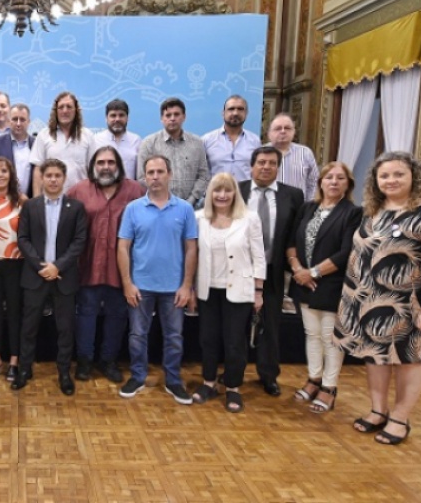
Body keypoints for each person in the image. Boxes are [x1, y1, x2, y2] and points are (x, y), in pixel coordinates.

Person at [336, 151, 421, 445]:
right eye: (384, 175)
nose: (391, 180)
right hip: (369, 300)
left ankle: (400, 418)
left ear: (414, 176)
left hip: (409, 304)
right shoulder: (374, 210)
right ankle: (378, 410)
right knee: (376, 357)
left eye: (398, 174)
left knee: (409, 359)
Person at [117, 154, 197, 405]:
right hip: (140, 286)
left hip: (174, 287)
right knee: (137, 335)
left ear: (169, 175)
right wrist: (127, 283)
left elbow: (191, 249)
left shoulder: (184, 209)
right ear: (144, 177)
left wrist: (187, 285)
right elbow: (123, 247)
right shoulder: (133, 209)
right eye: (150, 172)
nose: (155, 177)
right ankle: (138, 376)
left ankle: (173, 380)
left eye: (160, 171)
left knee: (174, 337)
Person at [287, 162, 362, 413]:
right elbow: (291, 242)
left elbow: (346, 251)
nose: (334, 182)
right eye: (329, 177)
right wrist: (298, 269)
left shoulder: (353, 213)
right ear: (320, 181)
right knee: (312, 334)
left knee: (331, 339)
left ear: (348, 184)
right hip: (303, 282)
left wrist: (313, 272)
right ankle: (314, 379)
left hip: (331, 284)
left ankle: (329, 388)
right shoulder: (308, 208)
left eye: (340, 178)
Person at [66, 146, 144, 383]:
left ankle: (109, 361)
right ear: (93, 166)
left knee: (117, 316)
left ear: (118, 165)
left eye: (111, 162)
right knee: (85, 316)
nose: (106, 167)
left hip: (121, 270)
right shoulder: (79, 190)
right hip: (87, 266)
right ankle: (84, 361)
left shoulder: (135, 190)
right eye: (101, 162)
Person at [12, 160, 88, 396]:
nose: (53, 180)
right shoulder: (30, 206)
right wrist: (41, 266)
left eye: (57, 175)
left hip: (64, 277)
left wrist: (57, 266)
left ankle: (64, 373)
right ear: (42, 178)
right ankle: (25, 369)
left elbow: (79, 242)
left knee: (65, 329)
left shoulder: (76, 207)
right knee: (29, 327)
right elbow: (23, 239)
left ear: (64, 179)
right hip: (35, 275)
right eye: (49, 175)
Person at [192, 173, 266, 413]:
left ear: (235, 193)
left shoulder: (249, 218)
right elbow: (192, 256)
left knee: (234, 342)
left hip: (239, 290)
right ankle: (209, 383)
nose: (222, 195)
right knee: (208, 339)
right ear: (210, 194)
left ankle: (233, 387)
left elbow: (259, 257)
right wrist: (190, 289)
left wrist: (258, 291)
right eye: (217, 190)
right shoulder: (198, 218)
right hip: (208, 290)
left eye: (227, 190)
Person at [239, 146, 305, 396]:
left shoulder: (293, 195)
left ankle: (268, 375)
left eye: (272, 163)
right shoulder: (238, 190)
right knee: (238, 324)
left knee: (271, 325)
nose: (266, 167)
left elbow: (295, 234)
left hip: (273, 270)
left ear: (278, 167)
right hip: (240, 270)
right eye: (261, 162)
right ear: (252, 166)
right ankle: (234, 371)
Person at [0, 157, 27, 382]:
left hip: (15, 264)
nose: (0, 175)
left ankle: (14, 360)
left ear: (11, 175)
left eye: (4, 171)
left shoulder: (22, 201)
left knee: (14, 313)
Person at [137, 97, 209, 206]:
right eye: (168, 115)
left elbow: (203, 176)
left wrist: (191, 200)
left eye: (176, 114)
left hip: (190, 206)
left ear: (184, 117)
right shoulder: (148, 144)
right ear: (161, 118)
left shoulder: (197, 143)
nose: (172, 118)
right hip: (157, 207)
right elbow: (142, 178)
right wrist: (163, 201)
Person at [30, 91, 97, 195]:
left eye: (69, 107)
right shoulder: (44, 135)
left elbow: (94, 171)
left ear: (76, 110)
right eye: (61, 107)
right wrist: (36, 200)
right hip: (50, 198)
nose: (65, 111)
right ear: (55, 111)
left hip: (80, 198)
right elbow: (38, 169)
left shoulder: (87, 136)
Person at [202, 95, 262, 181]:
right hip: (216, 189)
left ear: (246, 113)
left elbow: (258, 171)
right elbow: (200, 172)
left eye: (240, 109)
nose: (235, 113)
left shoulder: (255, 141)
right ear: (223, 113)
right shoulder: (207, 140)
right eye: (231, 109)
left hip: (245, 189)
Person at [267, 113, 319, 201]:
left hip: (298, 206)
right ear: (269, 133)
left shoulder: (305, 153)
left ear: (294, 131)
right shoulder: (260, 153)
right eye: (278, 128)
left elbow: (314, 183)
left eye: (287, 128)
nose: (283, 131)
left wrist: (309, 205)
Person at [0, 103, 36, 196]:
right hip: (3, 200)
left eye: (22, 119)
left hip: (30, 201)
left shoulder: (36, 145)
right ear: (8, 121)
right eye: (15, 119)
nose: (18, 123)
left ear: (29, 122)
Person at [94, 99, 142, 179]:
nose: (117, 119)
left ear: (127, 118)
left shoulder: (136, 141)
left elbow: (141, 173)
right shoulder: (96, 140)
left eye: (121, 115)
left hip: (130, 187)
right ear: (106, 118)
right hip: (102, 186)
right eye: (113, 115)